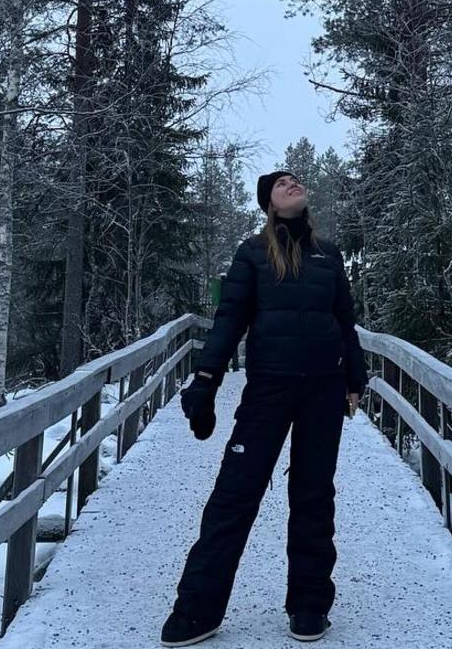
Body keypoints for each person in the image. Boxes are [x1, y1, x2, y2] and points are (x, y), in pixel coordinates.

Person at [160, 170, 369, 647]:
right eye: (281, 183)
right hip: (267, 390)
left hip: (323, 389)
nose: (292, 183)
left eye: (296, 179)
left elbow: (345, 321)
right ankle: (198, 610)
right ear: (269, 203)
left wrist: (356, 379)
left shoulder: (329, 254)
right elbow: (229, 318)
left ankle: (310, 605)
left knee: (314, 495)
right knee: (234, 495)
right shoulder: (252, 254)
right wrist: (207, 378)